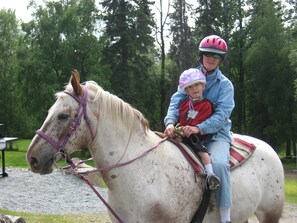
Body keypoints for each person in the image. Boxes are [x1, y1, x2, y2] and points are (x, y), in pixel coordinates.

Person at [164, 35, 234, 223]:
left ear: (221, 59)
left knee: (219, 164)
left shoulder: (225, 85)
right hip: (186, 131)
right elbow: (176, 101)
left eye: (216, 56)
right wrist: (170, 123)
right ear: (201, 55)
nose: (211, 58)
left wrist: (199, 129)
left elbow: (222, 115)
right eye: (208, 54)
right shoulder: (190, 76)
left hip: (215, 135)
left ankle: (225, 216)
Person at [176, 68, 220, 190]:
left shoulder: (206, 105)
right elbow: (182, 120)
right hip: (184, 135)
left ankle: (210, 175)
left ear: (203, 86)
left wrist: (185, 130)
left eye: (197, 85)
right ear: (186, 90)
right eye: (190, 87)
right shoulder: (184, 105)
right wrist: (176, 129)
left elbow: (198, 122)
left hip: (197, 138)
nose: (194, 88)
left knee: (203, 152)